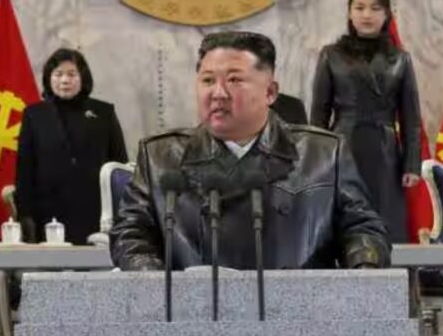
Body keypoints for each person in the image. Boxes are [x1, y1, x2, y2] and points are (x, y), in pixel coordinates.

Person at [111, 31, 390, 271]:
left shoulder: (323, 154)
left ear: (270, 92)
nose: (218, 93)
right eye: (207, 81)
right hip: (195, 309)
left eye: (234, 80)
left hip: (298, 309)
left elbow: (362, 227)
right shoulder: (160, 157)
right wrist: (153, 281)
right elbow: (131, 233)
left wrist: (365, 267)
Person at [310, 0, 422, 243]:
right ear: (350, 13)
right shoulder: (331, 55)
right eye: (359, 7)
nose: (367, 15)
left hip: (385, 150)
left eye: (375, 8)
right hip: (344, 145)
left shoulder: (400, 59)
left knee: (387, 221)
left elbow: (411, 118)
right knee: (344, 218)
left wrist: (412, 164)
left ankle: (390, 268)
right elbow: (319, 114)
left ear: (386, 14)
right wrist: (316, 161)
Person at [15, 48, 128, 245]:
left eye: (71, 74)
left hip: (95, 212)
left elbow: (119, 166)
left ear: (83, 77)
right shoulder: (34, 115)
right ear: (49, 78)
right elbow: (24, 169)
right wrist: (25, 215)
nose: (64, 80)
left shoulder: (103, 112)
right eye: (58, 74)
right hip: (48, 214)